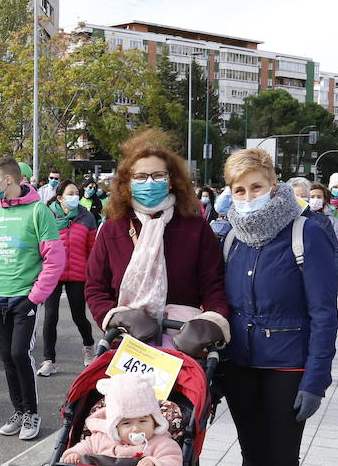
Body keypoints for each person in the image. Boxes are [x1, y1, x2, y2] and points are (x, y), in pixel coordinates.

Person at [218, 148, 338, 466]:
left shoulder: (307, 232)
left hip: (288, 366)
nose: (248, 197)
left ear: (274, 183)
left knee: (282, 463)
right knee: (252, 456)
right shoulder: (230, 237)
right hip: (242, 365)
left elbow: (325, 313)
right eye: (238, 190)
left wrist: (316, 379)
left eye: (256, 187)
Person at [85, 130, 230, 354]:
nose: (150, 182)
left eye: (158, 175)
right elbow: (96, 287)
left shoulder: (195, 228)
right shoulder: (113, 228)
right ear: (128, 183)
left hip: (185, 344)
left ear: (171, 181)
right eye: (141, 177)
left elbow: (214, 285)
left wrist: (211, 321)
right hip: (126, 341)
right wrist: (117, 317)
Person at [0, 157, 65, 441]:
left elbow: (54, 260)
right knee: (6, 357)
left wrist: (34, 297)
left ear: (8, 180)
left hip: (24, 299)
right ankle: (18, 411)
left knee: (19, 354)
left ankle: (32, 413)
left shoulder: (39, 211)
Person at [59, 373, 183, 466]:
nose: (136, 428)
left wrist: (155, 465)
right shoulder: (101, 439)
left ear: (155, 422)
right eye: (127, 423)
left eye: (143, 421)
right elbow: (83, 447)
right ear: (115, 426)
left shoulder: (162, 444)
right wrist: (74, 455)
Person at [38, 179, 97, 377]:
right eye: (70, 194)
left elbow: (92, 250)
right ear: (60, 197)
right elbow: (41, 245)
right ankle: (49, 360)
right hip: (53, 273)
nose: (75, 197)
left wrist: (91, 273)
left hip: (78, 273)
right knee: (50, 316)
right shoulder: (47, 215)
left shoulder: (87, 217)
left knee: (79, 316)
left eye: (76, 193)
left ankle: (89, 346)